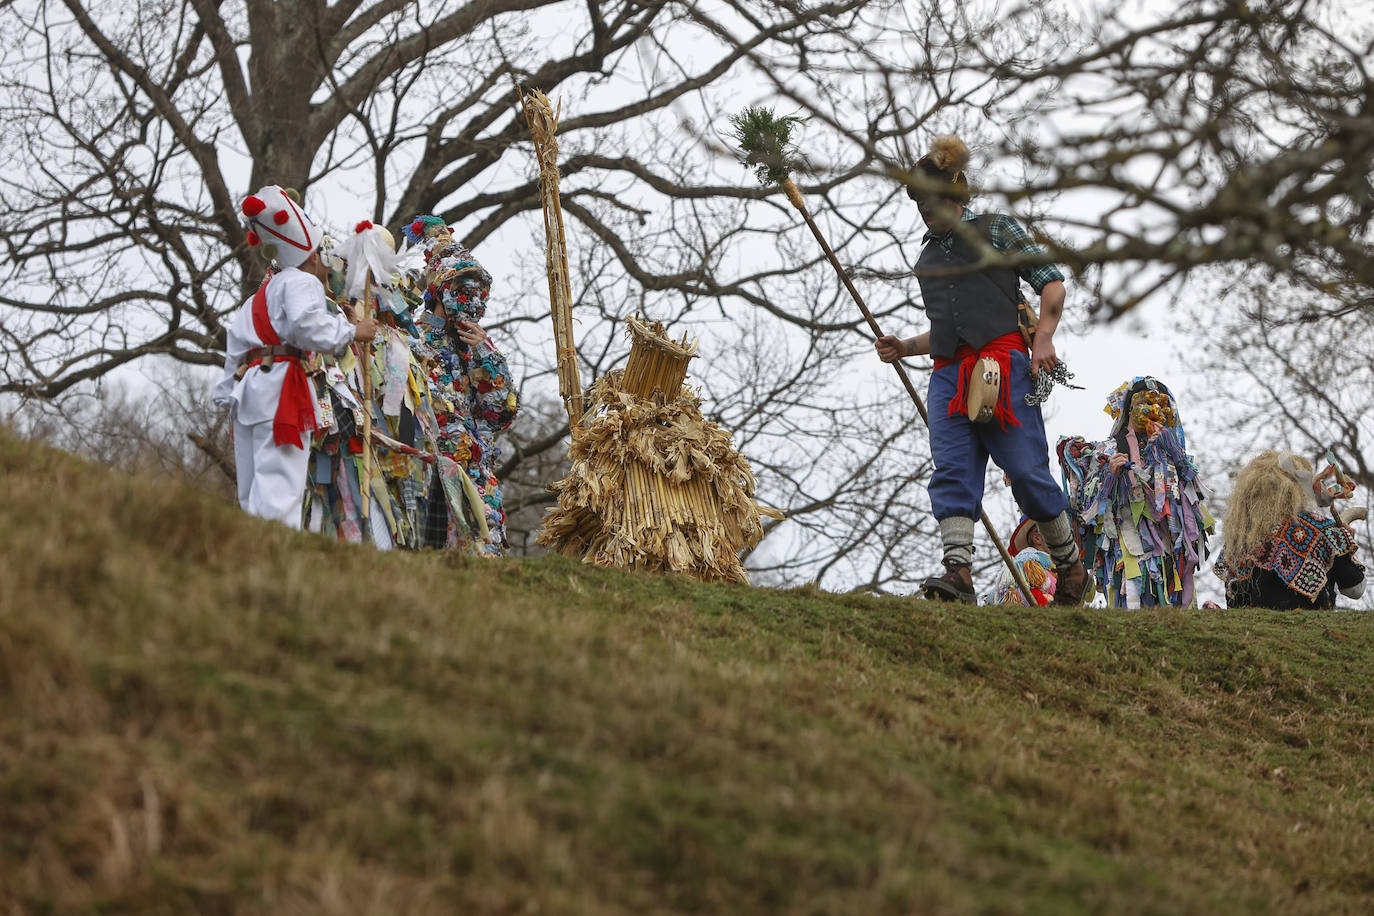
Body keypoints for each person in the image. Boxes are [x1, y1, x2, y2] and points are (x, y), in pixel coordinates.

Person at [875, 134, 1090, 605]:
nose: (923, 210)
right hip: (950, 376)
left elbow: (1050, 283)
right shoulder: (926, 257)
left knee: (1025, 470)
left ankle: (1070, 565)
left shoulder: (996, 230)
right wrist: (905, 346)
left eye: (930, 200)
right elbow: (946, 329)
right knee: (952, 470)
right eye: (917, 202)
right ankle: (958, 574)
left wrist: (1044, 340)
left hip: (1005, 364)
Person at [212, 186, 378, 527]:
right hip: (280, 390)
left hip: (248, 395)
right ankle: (274, 564)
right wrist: (353, 332)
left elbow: (234, 347)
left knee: (252, 490)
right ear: (314, 255)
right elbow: (307, 327)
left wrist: (229, 395)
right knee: (280, 487)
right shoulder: (302, 282)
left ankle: (249, 558)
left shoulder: (258, 297)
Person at [404, 215, 521, 555]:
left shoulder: (477, 348)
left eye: (480, 293)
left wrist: (483, 353)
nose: (474, 301)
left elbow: (501, 415)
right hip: (429, 476)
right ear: (442, 290)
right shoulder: (412, 341)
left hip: (476, 479)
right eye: (464, 290)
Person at [1057, 376, 1213, 608]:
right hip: (1127, 543)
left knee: (1173, 595)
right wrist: (1110, 476)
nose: (1155, 410)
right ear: (1129, 408)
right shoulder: (1107, 450)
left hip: (1169, 545)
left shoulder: (1172, 452)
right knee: (1132, 593)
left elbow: (1191, 496)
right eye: (1147, 402)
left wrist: (1171, 454)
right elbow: (1088, 510)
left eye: (1162, 404)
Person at [1214, 451, 1365, 609]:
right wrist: (1344, 544)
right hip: (1309, 631)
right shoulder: (1321, 530)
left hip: (1248, 632)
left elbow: (1232, 601)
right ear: (1298, 488)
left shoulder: (1236, 541)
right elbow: (1356, 589)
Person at [983, 517, 1057, 606]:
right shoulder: (1028, 559)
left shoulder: (1046, 561)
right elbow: (1041, 583)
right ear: (1037, 538)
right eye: (1052, 531)